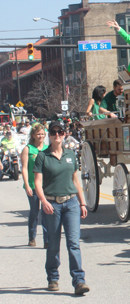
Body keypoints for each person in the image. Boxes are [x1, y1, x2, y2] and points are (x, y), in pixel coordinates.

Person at [34, 120, 89, 295]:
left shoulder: (70, 155)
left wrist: (82, 202)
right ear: (49, 136)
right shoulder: (42, 156)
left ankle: (79, 281)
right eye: (53, 133)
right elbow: (38, 182)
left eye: (60, 132)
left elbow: (75, 180)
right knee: (53, 244)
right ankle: (53, 277)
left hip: (71, 203)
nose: (57, 135)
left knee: (74, 243)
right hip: (52, 205)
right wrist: (44, 201)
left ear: (65, 134)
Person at [20, 123, 48, 247]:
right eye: (38, 134)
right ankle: (32, 237)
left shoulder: (48, 148)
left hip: (46, 186)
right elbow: (25, 168)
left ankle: (47, 240)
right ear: (33, 135)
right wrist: (26, 185)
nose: (40, 136)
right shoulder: (28, 149)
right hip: (32, 185)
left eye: (42, 134)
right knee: (35, 211)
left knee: (47, 212)